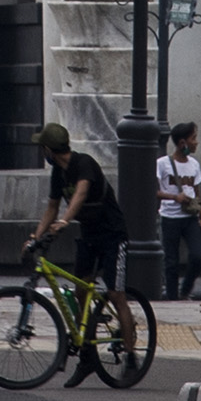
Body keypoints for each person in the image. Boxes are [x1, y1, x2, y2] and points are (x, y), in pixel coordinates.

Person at [28, 122, 123, 286]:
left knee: (115, 293)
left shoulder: (84, 162)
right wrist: (35, 238)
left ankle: (123, 310)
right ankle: (84, 312)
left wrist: (64, 221)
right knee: (81, 286)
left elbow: (81, 192)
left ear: (48, 150)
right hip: (89, 233)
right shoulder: (58, 171)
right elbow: (52, 207)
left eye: (42, 149)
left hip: (112, 233)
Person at [157, 120, 201, 303]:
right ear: (182, 143)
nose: (196, 142)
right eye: (193, 138)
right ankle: (173, 297)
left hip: (190, 217)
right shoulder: (163, 164)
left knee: (198, 254)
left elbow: (197, 193)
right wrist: (174, 198)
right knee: (171, 260)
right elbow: (154, 191)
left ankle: (185, 289)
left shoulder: (194, 164)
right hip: (170, 217)